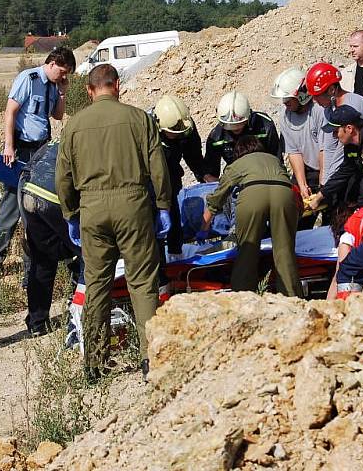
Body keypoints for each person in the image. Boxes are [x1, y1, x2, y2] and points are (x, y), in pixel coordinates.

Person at [56, 63, 172, 381]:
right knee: (143, 282)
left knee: (96, 284)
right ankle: (152, 359)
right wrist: (162, 205)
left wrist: (70, 215)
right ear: (117, 86)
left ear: (91, 91)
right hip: (133, 204)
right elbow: (158, 168)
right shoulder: (140, 119)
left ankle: (95, 363)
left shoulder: (74, 125)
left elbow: (63, 176)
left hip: (92, 209)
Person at [0, 46, 75, 278]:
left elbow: (57, 115)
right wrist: (8, 146)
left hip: (41, 151)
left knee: (35, 211)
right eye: (63, 72)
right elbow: (10, 112)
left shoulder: (54, 86)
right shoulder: (29, 78)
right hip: (21, 149)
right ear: (53, 63)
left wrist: (63, 93)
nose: (63, 76)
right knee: (11, 209)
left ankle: (30, 270)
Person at [201, 136, 303, 298]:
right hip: (284, 193)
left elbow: (218, 196)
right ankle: (292, 298)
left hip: (253, 195)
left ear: (239, 152)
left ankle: (243, 297)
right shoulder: (273, 159)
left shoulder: (238, 163)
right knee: (284, 251)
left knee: (248, 249)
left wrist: (204, 226)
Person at [18, 139, 82, 338]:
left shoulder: (58, 141)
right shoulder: (89, 142)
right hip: (53, 196)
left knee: (42, 259)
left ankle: (37, 322)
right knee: (86, 254)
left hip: (28, 190)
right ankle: (79, 314)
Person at [304, 62, 363, 187]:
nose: (314, 101)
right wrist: (324, 185)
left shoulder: (351, 107)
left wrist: (327, 191)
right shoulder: (329, 109)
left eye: (317, 96)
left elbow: (340, 151)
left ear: (332, 90)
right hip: (360, 152)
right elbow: (329, 147)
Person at [151, 94, 207, 257]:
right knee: (156, 224)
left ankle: (176, 252)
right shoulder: (148, 130)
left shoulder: (186, 126)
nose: (178, 134)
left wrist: (204, 175)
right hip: (152, 180)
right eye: (173, 132)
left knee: (174, 216)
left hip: (172, 176)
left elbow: (193, 155)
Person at [270, 66, 324, 230]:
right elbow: (294, 151)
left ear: (301, 95)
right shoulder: (286, 115)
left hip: (328, 167)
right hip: (307, 168)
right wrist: (302, 184)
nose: (285, 104)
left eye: (288, 100)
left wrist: (323, 186)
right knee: (297, 217)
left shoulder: (319, 110)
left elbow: (325, 150)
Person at [203, 90, 281, 180]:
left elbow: (276, 159)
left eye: (239, 124)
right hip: (235, 175)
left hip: (265, 173)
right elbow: (211, 173)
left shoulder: (265, 126)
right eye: (230, 126)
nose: (235, 128)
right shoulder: (216, 137)